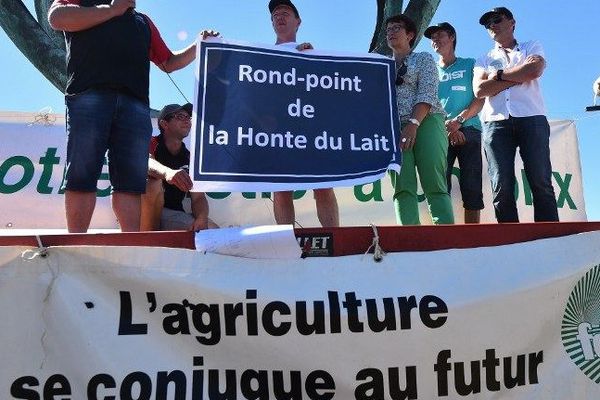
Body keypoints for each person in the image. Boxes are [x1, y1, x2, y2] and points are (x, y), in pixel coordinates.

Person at [48, 0, 218, 232]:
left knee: (130, 183)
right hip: (89, 96)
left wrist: (198, 45)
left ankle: (130, 242)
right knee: (82, 173)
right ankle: (76, 241)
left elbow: (168, 62)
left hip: (135, 106)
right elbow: (57, 18)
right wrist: (111, 10)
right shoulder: (82, 3)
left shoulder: (143, 22)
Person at [473, 7, 558, 223]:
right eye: (487, 23)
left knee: (540, 180)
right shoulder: (483, 59)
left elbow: (534, 71)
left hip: (532, 118)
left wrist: (498, 76)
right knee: (501, 185)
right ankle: (510, 243)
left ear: (512, 22)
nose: (492, 25)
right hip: (495, 123)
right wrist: (519, 74)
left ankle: (549, 238)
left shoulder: (531, 46)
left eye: (497, 19)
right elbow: (480, 90)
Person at [268, 0, 340, 227]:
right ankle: (286, 241)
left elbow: (328, 92)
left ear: (298, 22)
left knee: (323, 185)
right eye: (275, 14)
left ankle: (334, 239)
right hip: (277, 130)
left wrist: (313, 61)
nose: (279, 17)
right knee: (281, 189)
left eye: (286, 13)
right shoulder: (261, 55)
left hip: (310, 129)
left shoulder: (311, 53)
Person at [385, 14, 454, 225]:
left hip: (427, 121)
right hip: (393, 128)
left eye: (397, 28)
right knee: (402, 186)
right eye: (388, 29)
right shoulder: (380, 67)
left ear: (410, 35)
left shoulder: (423, 58)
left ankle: (447, 240)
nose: (391, 32)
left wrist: (413, 124)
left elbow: (427, 93)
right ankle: (408, 240)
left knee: (434, 182)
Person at [425, 22, 485, 224]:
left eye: (440, 35)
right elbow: (428, 102)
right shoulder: (430, 70)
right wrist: (446, 127)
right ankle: (444, 233)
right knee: (440, 185)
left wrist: (459, 121)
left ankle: (473, 237)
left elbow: (480, 98)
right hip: (439, 131)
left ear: (452, 37)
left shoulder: (470, 64)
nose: (436, 40)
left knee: (471, 184)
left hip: (469, 129)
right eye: (432, 37)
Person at [141, 104, 216, 231]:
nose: (187, 120)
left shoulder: (189, 157)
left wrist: (202, 218)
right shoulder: (151, 142)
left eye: (188, 117)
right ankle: (146, 238)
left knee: (215, 232)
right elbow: (146, 162)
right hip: (145, 213)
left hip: (173, 214)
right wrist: (168, 173)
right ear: (164, 124)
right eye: (180, 116)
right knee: (152, 183)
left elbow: (198, 198)